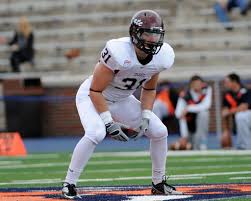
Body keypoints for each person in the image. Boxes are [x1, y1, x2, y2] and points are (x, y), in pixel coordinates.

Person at [62, 10, 183, 199]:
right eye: (147, 34)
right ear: (135, 34)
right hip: (92, 96)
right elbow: (95, 91)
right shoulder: (118, 51)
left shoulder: (162, 57)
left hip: (122, 99)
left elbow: (149, 89)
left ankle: (158, 183)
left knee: (159, 131)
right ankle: (69, 184)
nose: (152, 39)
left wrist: (146, 115)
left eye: (156, 34)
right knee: (96, 133)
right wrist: (109, 123)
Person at [173, 75, 212, 150]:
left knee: (204, 114)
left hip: (199, 126)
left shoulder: (207, 90)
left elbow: (206, 105)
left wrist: (188, 108)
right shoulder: (185, 95)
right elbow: (178, 114)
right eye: (195, 84)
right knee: (187, 146)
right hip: (188, 125)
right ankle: (185, 139)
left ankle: (202, 142)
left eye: (199, 84)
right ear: (191, 85)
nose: (198, 86)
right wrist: (184, 135)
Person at [221, 73, 251, 149]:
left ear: (234, 82)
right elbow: (224, 112)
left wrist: (230, 111)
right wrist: (225, 131)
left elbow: (244, 107)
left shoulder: (247, 91)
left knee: (241, 116)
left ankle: (246, 146)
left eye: (227, 82)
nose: (225, 84)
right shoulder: (227, 95)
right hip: (239, 122)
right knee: (239, 117)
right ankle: (242, 145)